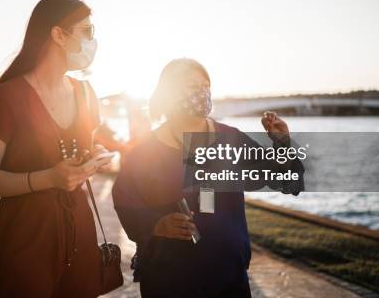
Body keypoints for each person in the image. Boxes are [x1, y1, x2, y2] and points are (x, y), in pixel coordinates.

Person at [112, 58, 303, 298]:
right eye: (193, 87)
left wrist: (282, 142)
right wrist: (156, 225)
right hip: (168, 281)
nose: (202, 93)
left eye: (205, 85)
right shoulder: (147, 151)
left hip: (229, 279)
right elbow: (125, 201)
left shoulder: (231, 139)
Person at [0, 0, 114, 297]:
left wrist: (95, 156)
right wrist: (48, 178)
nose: (93, 41)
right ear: (58, 35)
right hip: (26, 237)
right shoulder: (7, 98)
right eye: (87, 31)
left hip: (79, 231)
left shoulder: (86, 93)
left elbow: (81, 151)